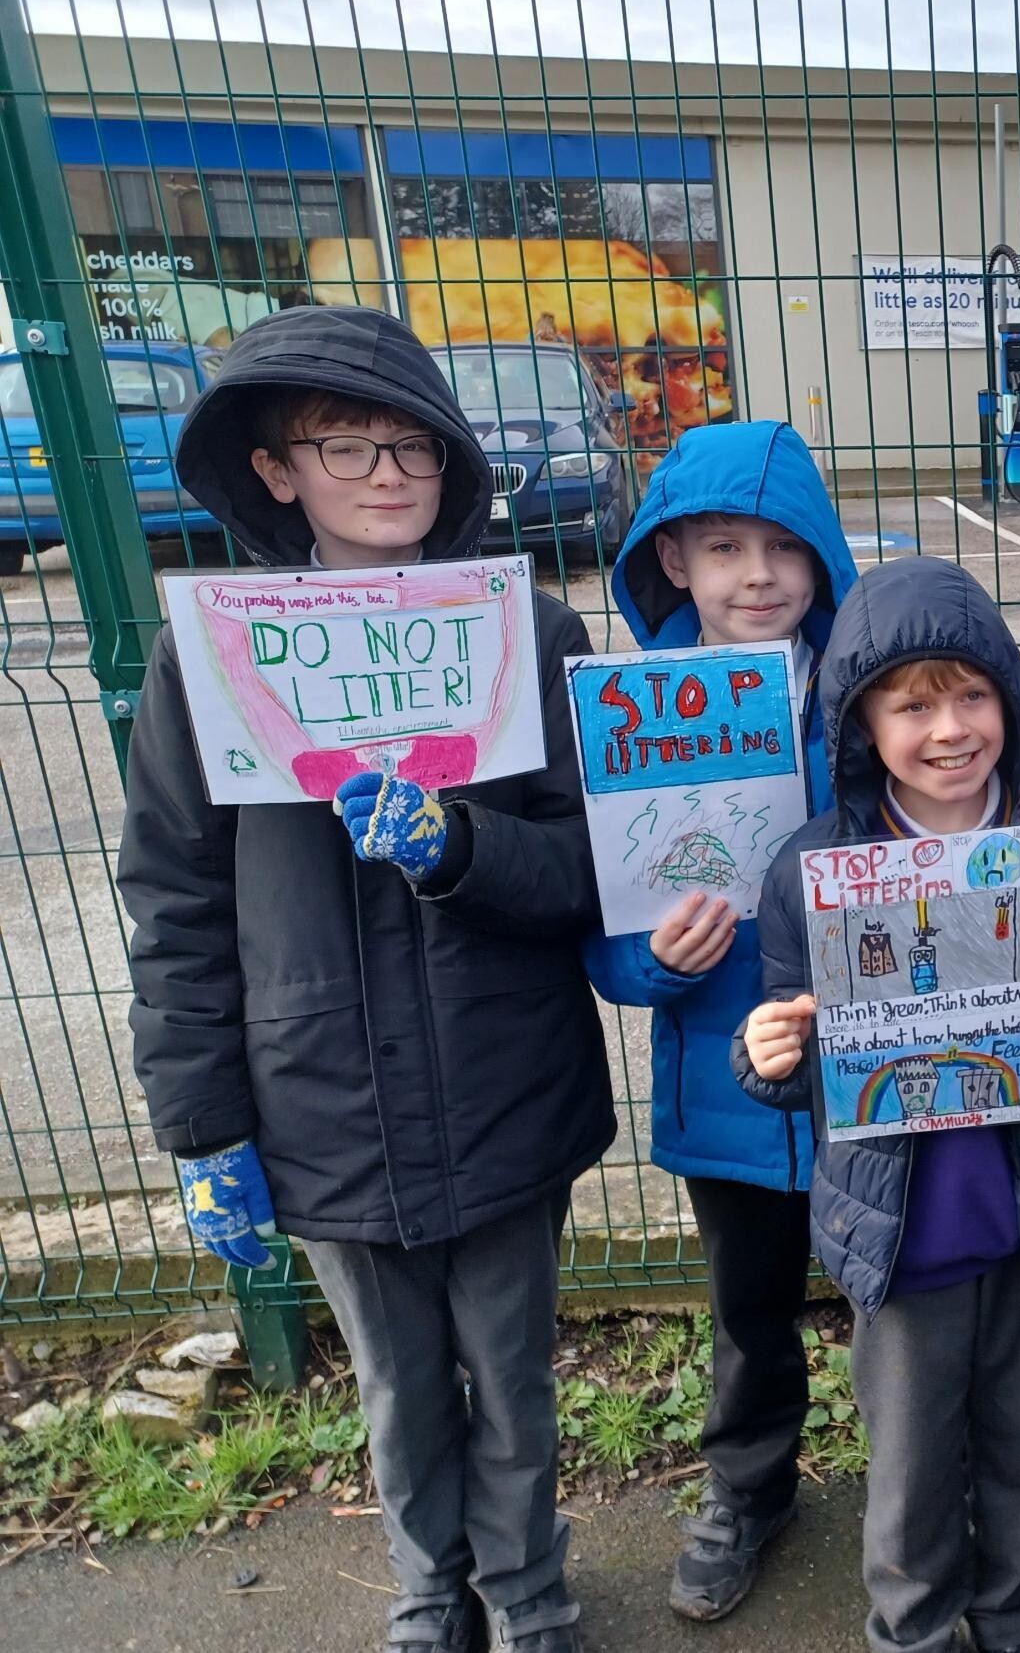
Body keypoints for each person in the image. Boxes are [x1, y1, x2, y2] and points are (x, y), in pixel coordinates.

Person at [119, 304, 614, 1653]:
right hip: (318, 1097)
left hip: (505, 1084)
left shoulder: (532, 632)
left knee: (510, 1372)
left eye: (415, 446)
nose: (389, 473)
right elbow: (175, 896)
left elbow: (590, 861)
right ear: (278, 468)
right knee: (397, 1380)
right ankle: (424, 1592)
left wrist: (459, 846)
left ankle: (528, 1593)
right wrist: (203, 1124)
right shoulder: (208, 659)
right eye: (347, 444)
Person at [732, 553, 1020, 1653]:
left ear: (1011, 702)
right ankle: (912, 1631)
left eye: (971, 695)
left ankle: (1012, 1621)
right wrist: (766, 1055)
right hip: (900, 1240)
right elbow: (792, 1048)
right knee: (906, 1481)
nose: (949, 728)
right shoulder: (815, 865)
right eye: (912, 705)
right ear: (862, 724)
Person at [580, 421, 857, 1621]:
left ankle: (921, 1477)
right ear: (673, 563)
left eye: (786, 547)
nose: (759, 575)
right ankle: (749, 1485)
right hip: (724, 1079)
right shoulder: (638, 719)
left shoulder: (866, 691)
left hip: (868, 1072)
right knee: (751, 1309)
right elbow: (603, 922)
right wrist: (652, 961)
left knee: (908, 1291)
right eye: (724, 547)